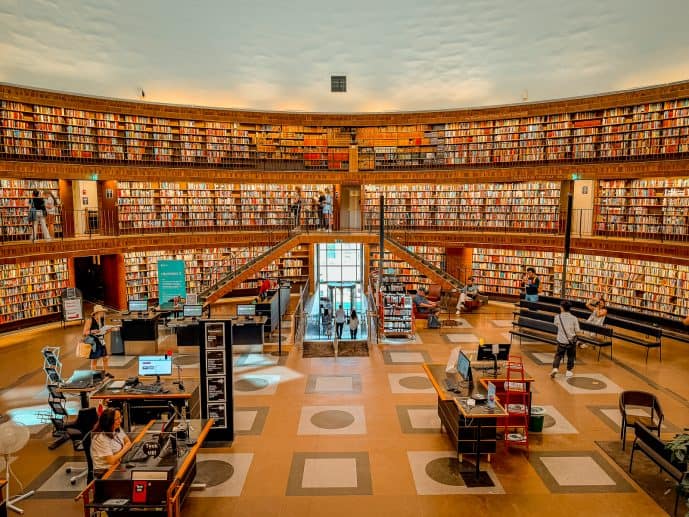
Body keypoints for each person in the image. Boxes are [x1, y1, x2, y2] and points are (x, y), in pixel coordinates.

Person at [90, 408, 131, 475]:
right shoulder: (100, 438)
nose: (120, 421)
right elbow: (111, 461)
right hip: (105, 472)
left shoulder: (116, 427)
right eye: (117, 419)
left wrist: (118, 454)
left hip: (118, 464)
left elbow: (128, 442)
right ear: (109, 422)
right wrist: (125, 448)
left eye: (120, 417)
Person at [551, 300, 581, 378]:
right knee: (571, 356)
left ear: (562, 308)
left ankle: (555, 368)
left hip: (561, 340)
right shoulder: (574, 318)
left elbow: (556, 324)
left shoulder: (557, 317)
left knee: (558, 355)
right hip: (571, 341)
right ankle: (568, 371)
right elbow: (577, 331)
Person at [83, 304, 111, 374]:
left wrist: (108, 330)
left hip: (101, 340)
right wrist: (93, 331)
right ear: (97, 313)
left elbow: (102, 332)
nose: (103, 313)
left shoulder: (101, 320)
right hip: (94, 342)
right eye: (102, 312)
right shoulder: (90, 320)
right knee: (94, 359)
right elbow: (84, 333)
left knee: (105, 358)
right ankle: (93, 374)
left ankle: (106, 373)